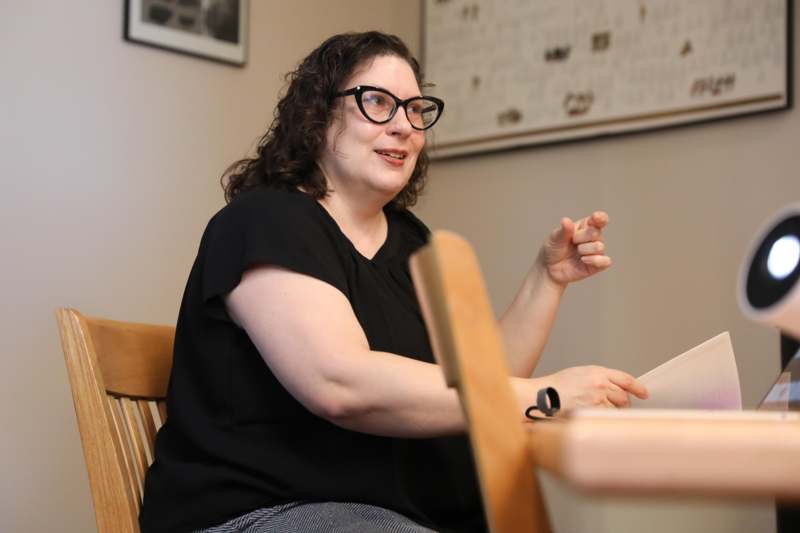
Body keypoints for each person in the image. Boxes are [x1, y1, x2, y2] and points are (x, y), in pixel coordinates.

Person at [139, 31, 648, 533]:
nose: (404, 125)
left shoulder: (414, 244)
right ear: (318, 115)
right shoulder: (264, 220)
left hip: (396, 517)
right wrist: (547, 396)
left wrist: (547, 278)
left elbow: (480, 384)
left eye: (415, 109)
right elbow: (339, 384)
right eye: (378, 102)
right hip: (266, 512)